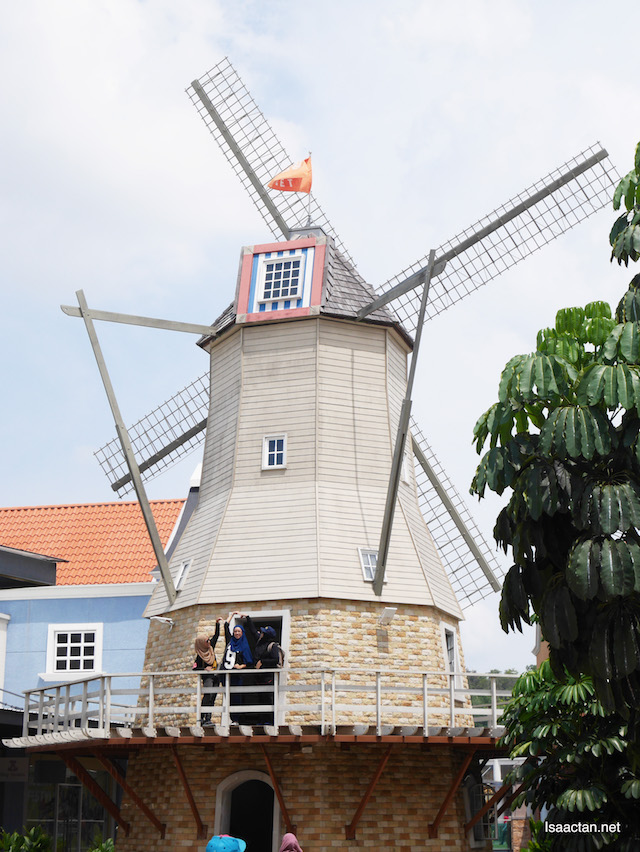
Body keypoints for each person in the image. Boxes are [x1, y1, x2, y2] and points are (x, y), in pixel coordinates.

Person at [244, 617, 285, 725]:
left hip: (268, 677)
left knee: (269, 698)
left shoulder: (273, 646)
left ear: (266, 635)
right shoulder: (260, 642)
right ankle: (261, 720)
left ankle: (271, 721)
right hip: (259, 677)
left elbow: (275, 659)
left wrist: (262, 662)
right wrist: (247, 618)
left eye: (263, 632)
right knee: (260, 698)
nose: (260, 633)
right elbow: (253, 631)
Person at [219, 612, 254, 723]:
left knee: (236, 697)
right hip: (226, 673)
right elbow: (225, 625)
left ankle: (236, 719)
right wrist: (233, 614)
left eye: (239, 631)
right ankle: (230, 718)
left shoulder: (244, 645)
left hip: (237, 675)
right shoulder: (230, 641)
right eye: (235, 631)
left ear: (242, 633)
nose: (237, 633)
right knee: (227, 696)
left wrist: (241, 666)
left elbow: (249, 662)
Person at [193, 620, 221, 725]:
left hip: (216, 676)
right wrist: (204, 670)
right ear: (201, 643)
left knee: (213, 697)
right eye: (206, 641)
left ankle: (208, 719)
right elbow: (194, 668)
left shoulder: (211, 648)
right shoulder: (200, 656)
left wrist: (217, 624)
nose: (208, 642)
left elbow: (216, 636)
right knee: (207, 696)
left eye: (208, 640)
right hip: (207, 678)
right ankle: (202, 718)